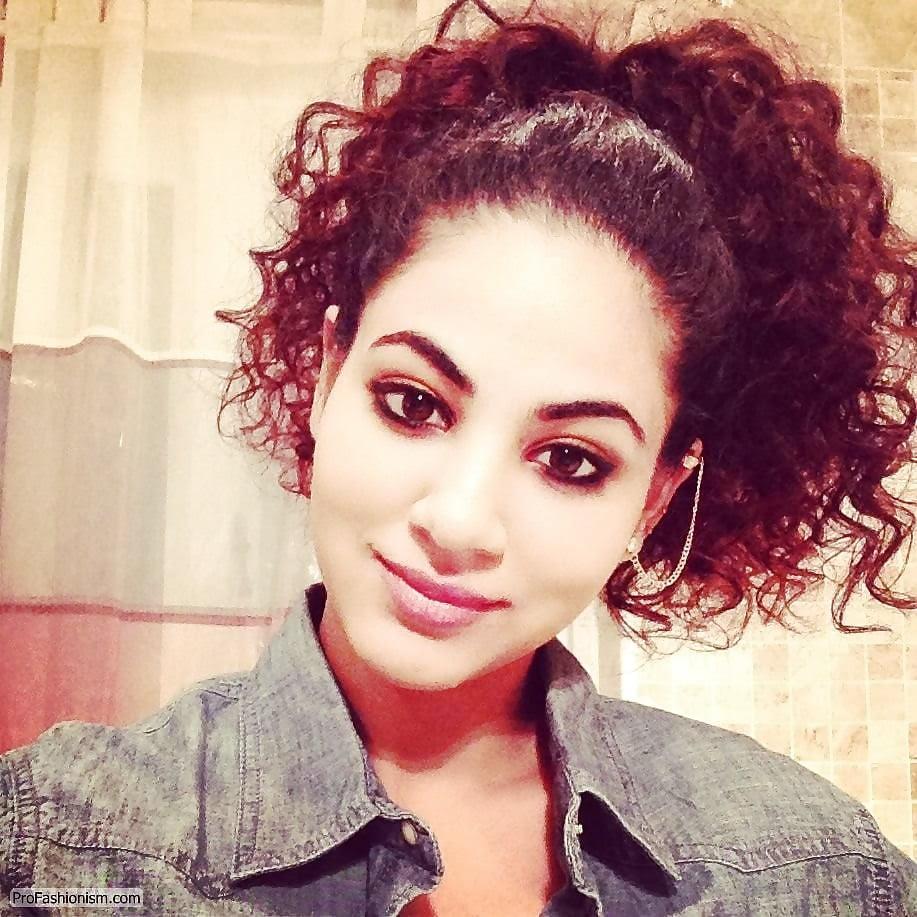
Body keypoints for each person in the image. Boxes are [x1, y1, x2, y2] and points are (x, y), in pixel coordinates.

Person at [2, 0, 916, 913]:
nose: (459, 521)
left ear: (654, 500)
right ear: (327, 377)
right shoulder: (51, 849)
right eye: (413, 403)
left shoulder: (811, 872)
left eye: (571, 460)